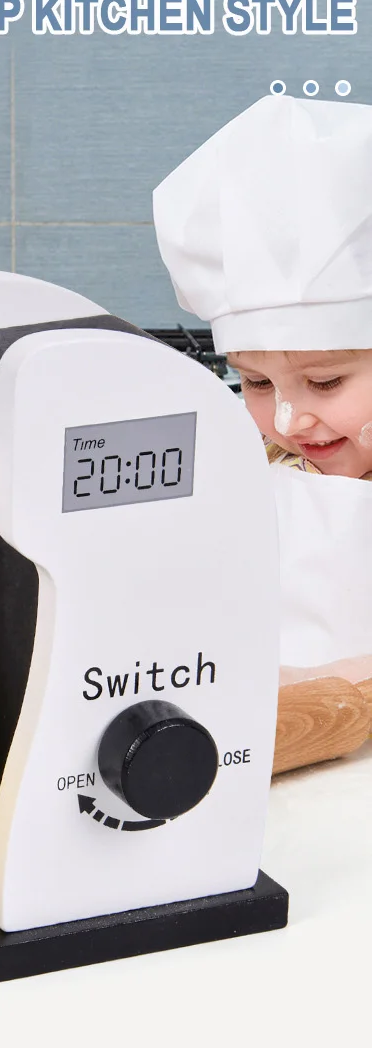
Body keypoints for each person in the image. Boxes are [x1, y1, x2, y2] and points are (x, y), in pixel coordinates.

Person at [153, 93, 372, 694]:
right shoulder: (244, 473)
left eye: (325, 382)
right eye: (255, 382)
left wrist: (327, 684)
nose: (288, 419)